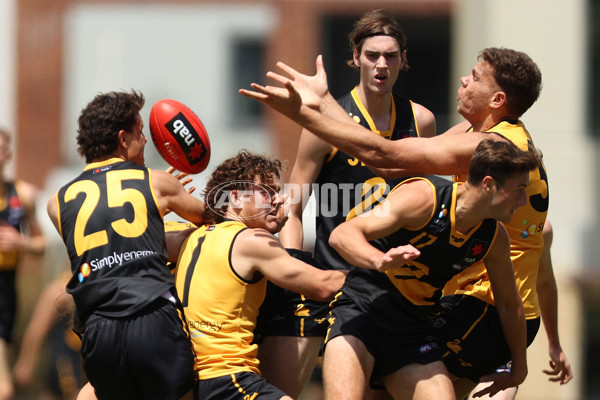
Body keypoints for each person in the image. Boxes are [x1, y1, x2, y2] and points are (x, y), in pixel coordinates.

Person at [239, 47, 572, 397]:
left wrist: (309, 113)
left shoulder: (487, 150)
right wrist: (324, 102)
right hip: (466, 305)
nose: (463, 79)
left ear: (497, 99)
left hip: (482, 308)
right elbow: (388, 165)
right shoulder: (490, 143)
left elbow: (384, 154)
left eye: (474, 77)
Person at [261, 9, 435, 398]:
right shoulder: (324, 128)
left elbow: (424, 200)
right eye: (372, 55)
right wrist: (295, 270)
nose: (381, 64)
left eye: (391, 56)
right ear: (356, 57)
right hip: (337, 286)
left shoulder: (420, 121)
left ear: (403, 60)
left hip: (397, 290)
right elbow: (291, 207)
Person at [324, 139, 540, 400]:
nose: (523, 200)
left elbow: (509, 304)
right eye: (519, 190)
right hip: (362, 308)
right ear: (489, 185)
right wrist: (378, 260)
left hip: (412, 329)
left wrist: (519, 368)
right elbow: (343, 234)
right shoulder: (424, 198)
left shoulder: (493, 237)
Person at [46, 90, 206, 400]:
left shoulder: (57, 203)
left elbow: (92, 261)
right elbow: (212, 222)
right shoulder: (156, 181)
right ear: (123, 138)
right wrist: (165, 202)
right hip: (152, 317)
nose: (146, 140)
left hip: (99, 330)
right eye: (141, 131)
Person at [171, 150, 355, 400]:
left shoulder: (186, 236)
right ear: (235, 198)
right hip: (229, 377)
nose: (279, 200)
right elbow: (321, 285)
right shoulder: (250, 240)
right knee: (304, 272)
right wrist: (380, 273)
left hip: (188, 379)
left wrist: (155, 202)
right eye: (267, 192)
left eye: (278, 192)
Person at [0, 128, 46, 400]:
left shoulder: (24, 194)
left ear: (9, 154)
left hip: (7, 288)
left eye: (2, 149)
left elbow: (41, 246)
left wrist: (21, 242)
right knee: (4, 389)